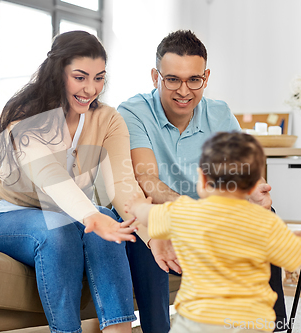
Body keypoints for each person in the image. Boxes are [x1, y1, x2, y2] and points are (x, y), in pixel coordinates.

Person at [117, 30, 284, 332]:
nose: (184, 91)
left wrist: (255, 191)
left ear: (206, 77)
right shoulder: (133, 112)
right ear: (156, 76)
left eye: (194, 80)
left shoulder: (218, 113)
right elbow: (145, 178)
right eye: (173, 80)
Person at [0, 30, 145, 333]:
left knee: (107, 220)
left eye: (99, 78)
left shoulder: (108, 120)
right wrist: (91, 216)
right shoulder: (23, 117)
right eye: (80, 77)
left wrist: (154, 231)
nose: (91, 88)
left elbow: (123, 185)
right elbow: (49, 177)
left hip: (70, 215)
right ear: (58, 73)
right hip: (11, 217)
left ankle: (118, 330)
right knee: (62, 231)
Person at [124, 132, 301, 333]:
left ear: (202, 180)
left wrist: (137, 205)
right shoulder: (265, 222)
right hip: (249, 322)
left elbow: (149, 216)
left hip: (195, 320)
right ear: (253, 186)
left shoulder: (185, 211)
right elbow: (297, 256)